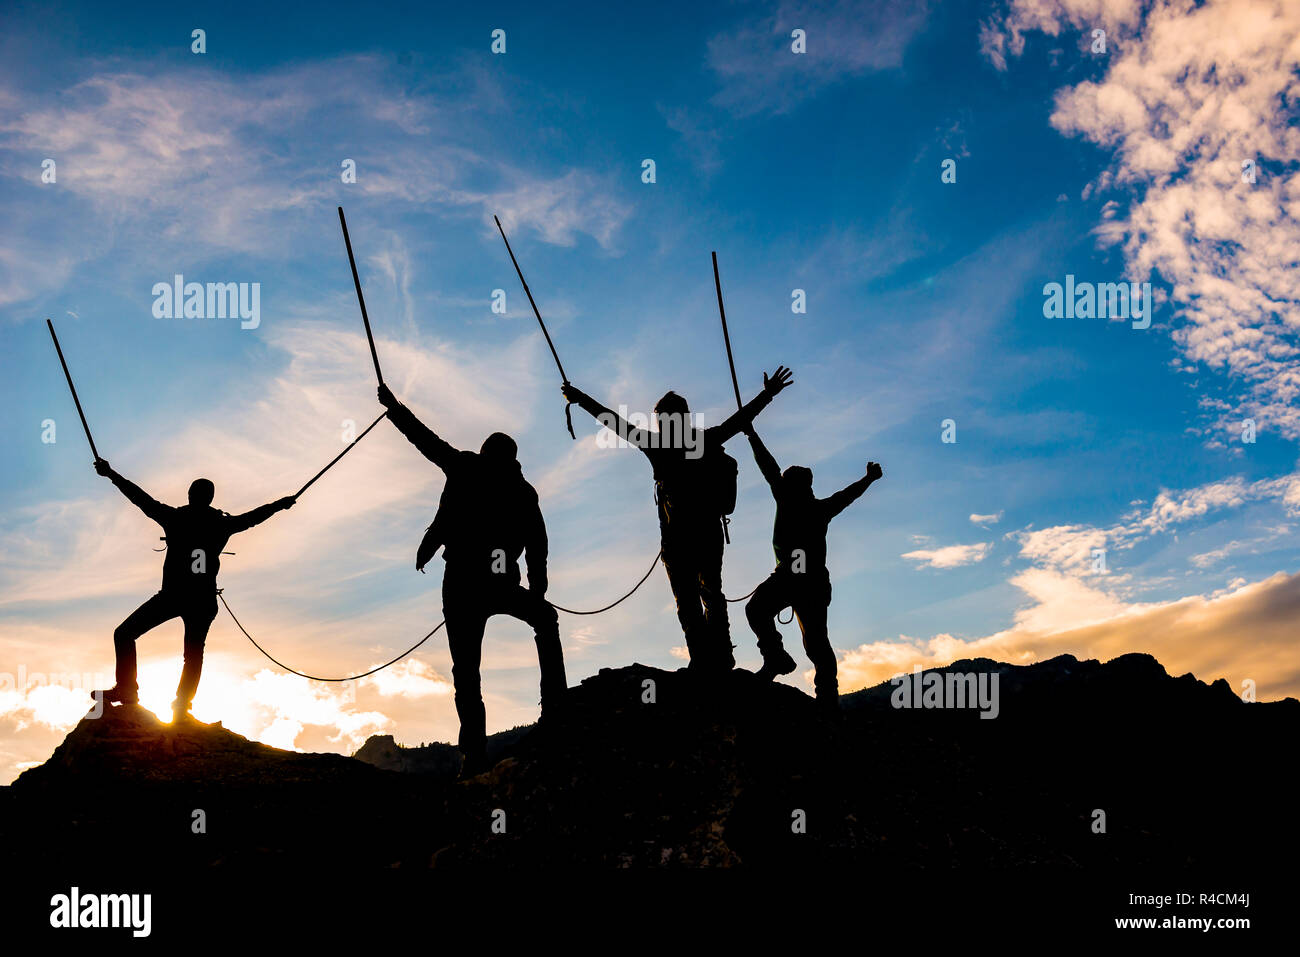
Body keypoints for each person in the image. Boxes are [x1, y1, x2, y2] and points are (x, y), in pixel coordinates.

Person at [378, 383, 565, 777]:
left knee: (466, 670)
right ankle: (554, 712)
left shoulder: (467, 467)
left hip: (463, 581)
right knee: (543, 622)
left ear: (485, 453)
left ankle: (474, 755)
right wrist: (537, 587)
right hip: (497, 580)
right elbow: (538, 542)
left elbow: (424, 440)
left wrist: (394, 409)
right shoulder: (521, 489)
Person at [562, 367, 794, 674]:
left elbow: (613, 421)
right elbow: (737, 422)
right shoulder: (703, 441)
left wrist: (580, 399)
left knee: (689, 601)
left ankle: (703, 659)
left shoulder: (657, 447)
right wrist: (768, 395)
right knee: (710, 594)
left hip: (677, 541)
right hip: (707, 535)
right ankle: (720, 658)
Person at [93, 460, 296, 721]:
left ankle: (127, 690)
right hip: (203, 600)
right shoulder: (222, 524)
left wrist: (111, 474)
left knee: (124, 634)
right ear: (211, 499)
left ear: (190, 496)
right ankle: (181, 706)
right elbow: (253, 518)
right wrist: (281, 504)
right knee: (193, 654)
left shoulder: (175, 518)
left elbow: (140, 498)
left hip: (174, 595)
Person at [741, 428, 882, 711]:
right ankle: (795, 671)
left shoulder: (793, 500)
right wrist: (868, 478)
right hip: (803, 580)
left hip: (804, 582)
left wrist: (752, 435)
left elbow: (770, 468)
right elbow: (847, 495)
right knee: (810, 638)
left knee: (810, 638)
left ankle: (810, 683)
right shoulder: (818, 508)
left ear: (795, 486)